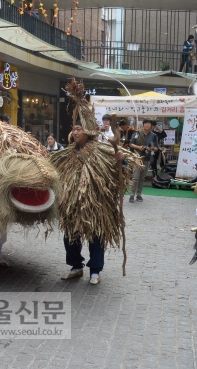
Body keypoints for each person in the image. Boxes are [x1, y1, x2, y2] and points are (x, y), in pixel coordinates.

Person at [53, 119, 124, 285]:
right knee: (70, 236)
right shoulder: (68, 152)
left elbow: (122, 168)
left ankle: (95, 271)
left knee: (96, 237)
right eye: (74, 129)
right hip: (72, 203)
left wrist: (121, 160)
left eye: (80, 129)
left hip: (96, 204)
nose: (76, 132)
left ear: (90, 132)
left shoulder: (101, 150)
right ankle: (76, 267)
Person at [128, 119, 158, 203]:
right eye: (145, 123)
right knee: (135, 177)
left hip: (147, 158)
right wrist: (139, 147)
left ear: (151, 125)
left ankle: (139, 194)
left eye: (149, 123)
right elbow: (131, 144)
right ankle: (131, 195)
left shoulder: (153, 135)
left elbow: (156, 148)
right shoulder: (137, 133)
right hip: (138, 157)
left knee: (142, 178)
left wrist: (151, 148)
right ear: (143, 124)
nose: (147, 125)